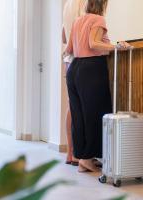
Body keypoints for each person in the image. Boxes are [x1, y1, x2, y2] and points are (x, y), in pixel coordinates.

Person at [66, 0, 130, 172]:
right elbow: (93, 43)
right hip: (92, 68)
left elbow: (69, 49)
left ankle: (83, 158)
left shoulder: (77, 21)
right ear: (103, 4)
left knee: (79, 115)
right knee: (95, 114)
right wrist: (116, 46)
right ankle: (87, 158)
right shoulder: (98, 19)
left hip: (74, 68)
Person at [62, 0, 87, 166]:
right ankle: (79, 153)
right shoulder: (84, 3)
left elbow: (63, 35)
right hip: (79, 56)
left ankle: (70, 152)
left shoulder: (67, 4)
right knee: (78, 107)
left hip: (68, 58)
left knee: (72, 105)